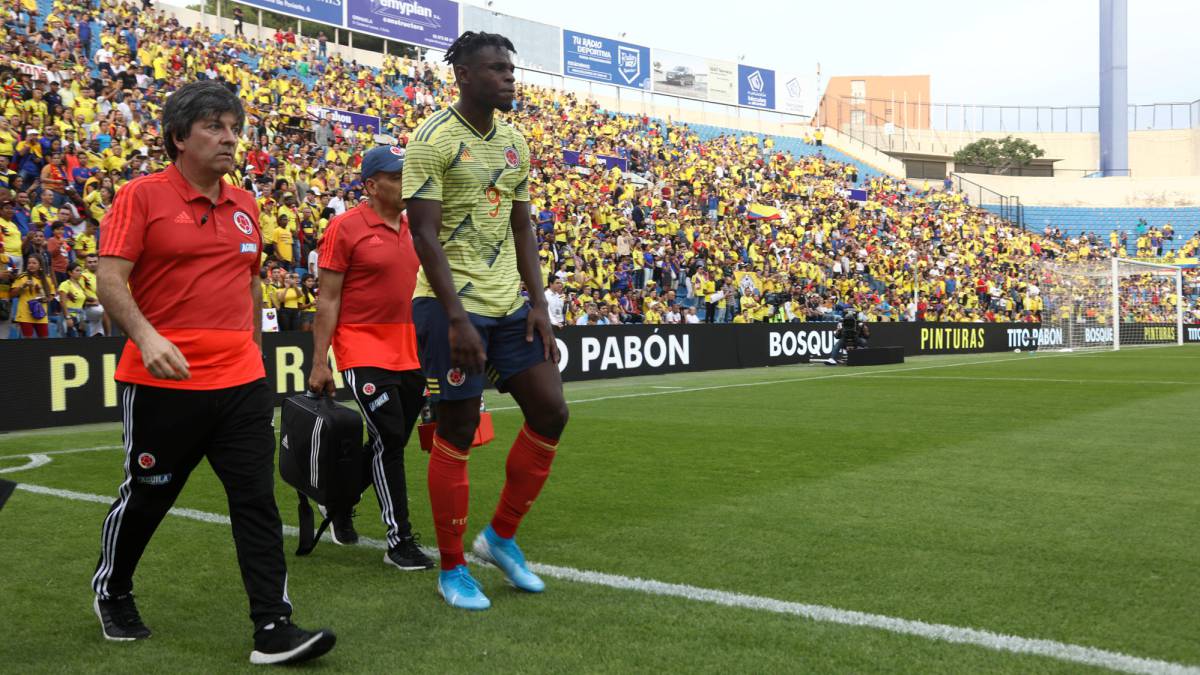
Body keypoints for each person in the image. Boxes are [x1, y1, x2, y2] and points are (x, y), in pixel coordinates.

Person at [90, 81, 335, 665]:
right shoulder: (141, 196)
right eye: (215, 127)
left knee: (256, 500)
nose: (230, 139)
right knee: (148, 497)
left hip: (242, 384)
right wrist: (146, 337)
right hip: (162, 385)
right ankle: (114, 589)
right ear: (179, 136)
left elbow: (249, 283)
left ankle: (273, 627)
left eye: (234, 128)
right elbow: (109, 280)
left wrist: (254, 353)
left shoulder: (247, 205)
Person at [404, 31, 569, 611]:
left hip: (510, 307)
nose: (509, 77)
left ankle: (499, 537)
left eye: (510, 68)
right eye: (497, 69)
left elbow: (523, 227)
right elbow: (423, 233)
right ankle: (452, 569)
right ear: (465, 76)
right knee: (456, 429)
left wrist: (539, 305)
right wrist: (455, 318)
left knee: (551, 411)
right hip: (450, 307)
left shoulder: (517, 142)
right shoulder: (431, 140)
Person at [307, 145, 434, 571]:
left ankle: (337, 502)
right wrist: (320, 361)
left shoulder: (416, 225)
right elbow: (328, 299)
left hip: (411, 349)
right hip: (361, 346)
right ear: (371, 185)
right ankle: (399, 540)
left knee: (390, 439)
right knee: (390, 437)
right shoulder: (344, 228)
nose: (405, 184)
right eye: (397, 177)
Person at [9, 255, 55, 338]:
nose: (31, 265)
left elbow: (51, 296)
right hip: (25, 315)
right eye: (29, 263)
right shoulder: (22, 277)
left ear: (40, 265)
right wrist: (23, 286)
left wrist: (44, 297)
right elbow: (11, 294)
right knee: (28, 343)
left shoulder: (47, 279)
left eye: (34, 263)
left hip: (41, 315)